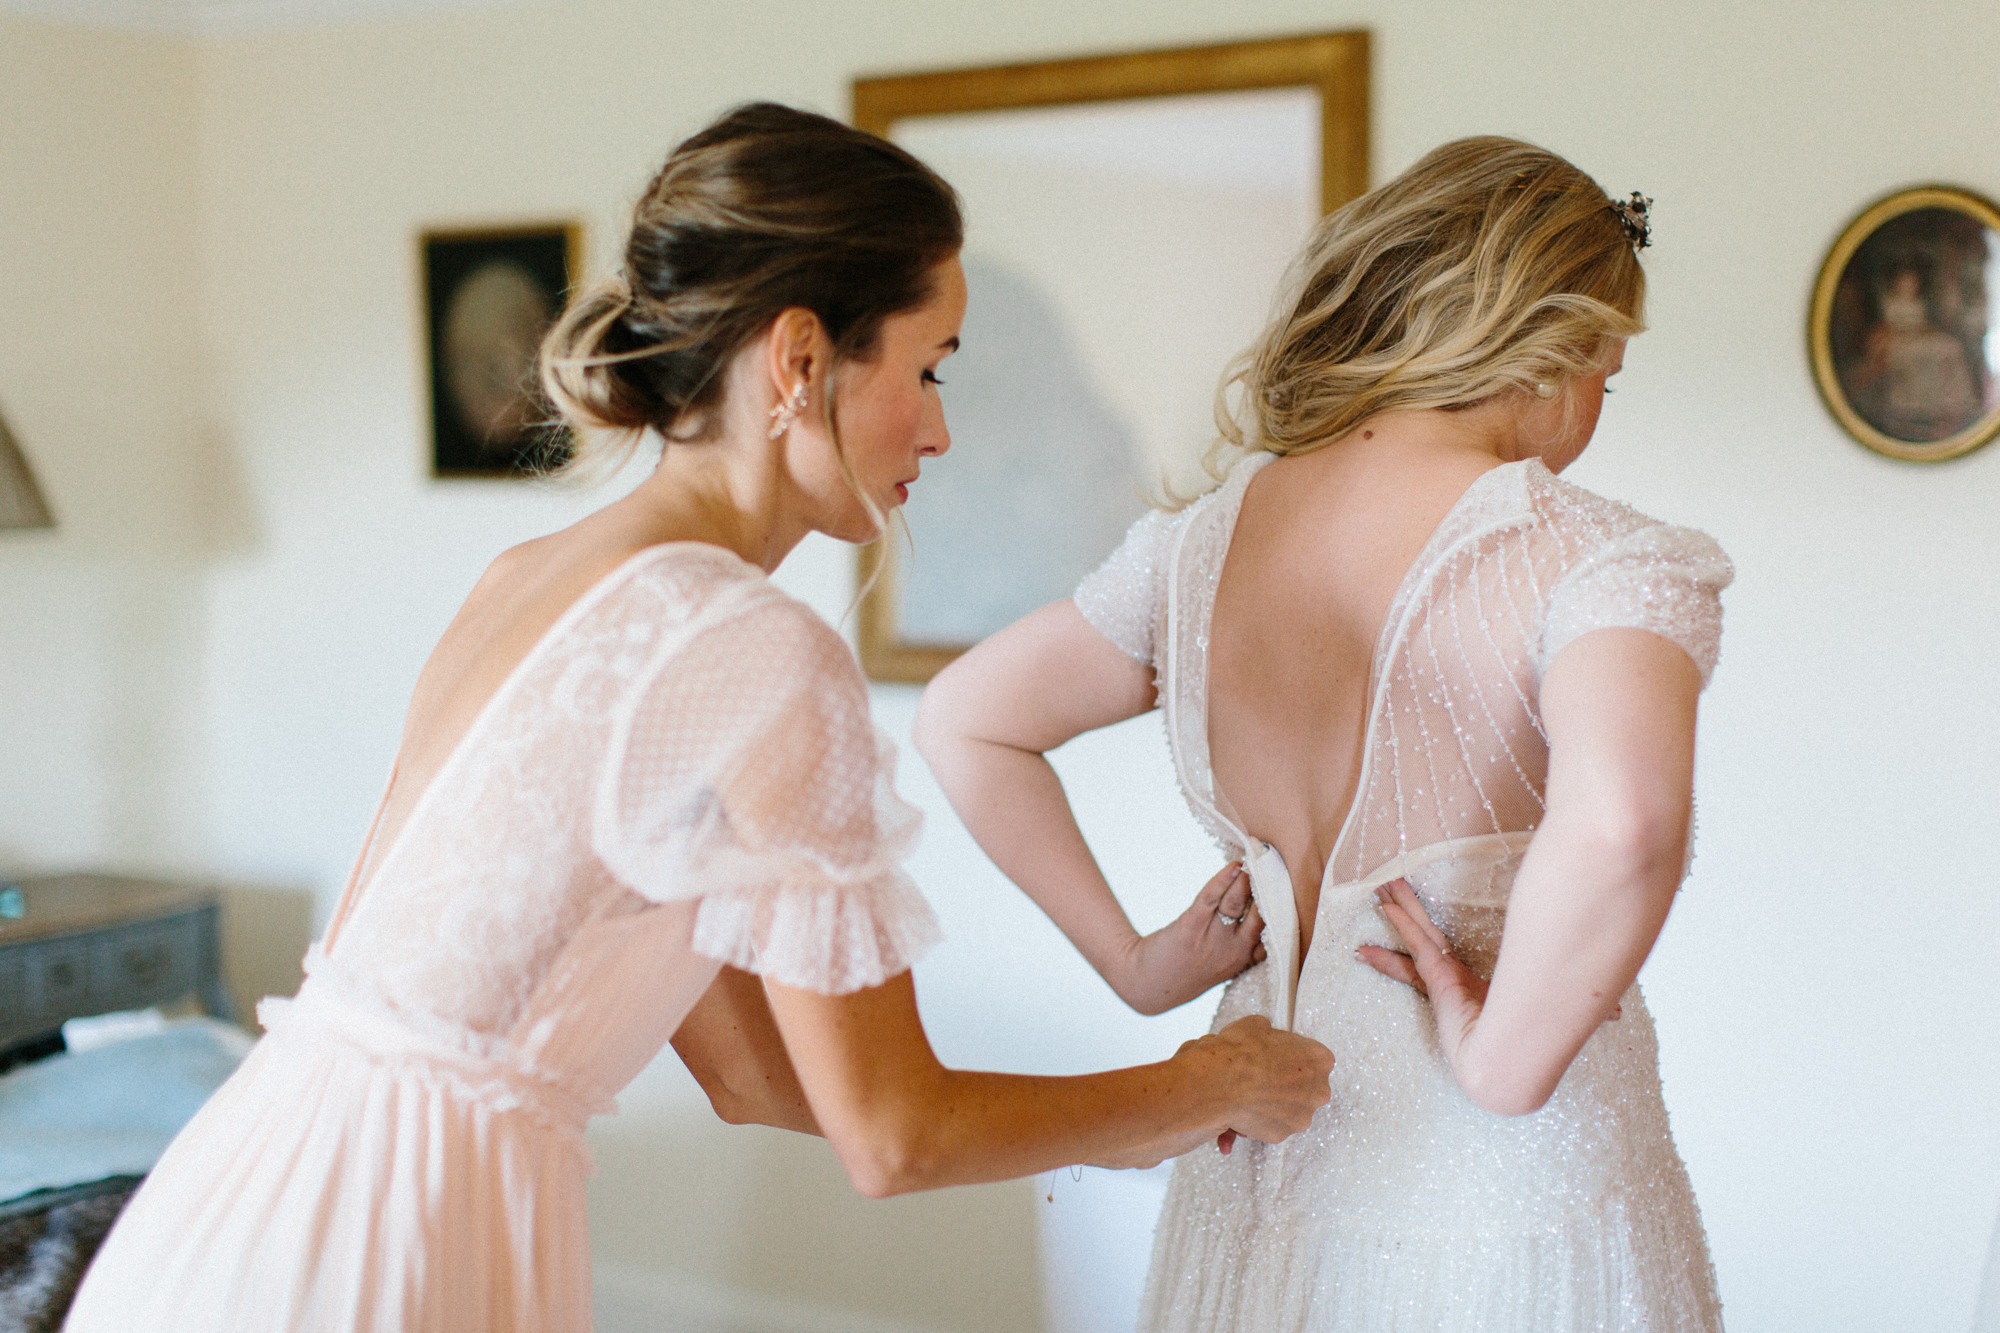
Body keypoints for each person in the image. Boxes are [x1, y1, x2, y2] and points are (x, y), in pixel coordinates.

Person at [63, 104, 1334, 1333]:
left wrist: (1137, 1114)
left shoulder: (532, 579)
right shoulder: (751, 652)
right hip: (388, 1251)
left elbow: (756, 1079)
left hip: (245, 1202)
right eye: (927, 367)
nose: (940, 427)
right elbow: (891, 1136)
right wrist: (1193, 1084)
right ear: (797, 358)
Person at [916, 137, 1731, 1331]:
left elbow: (965, 719)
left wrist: (1137, 966)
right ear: (1546, 345)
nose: (1592, 411)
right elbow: (1624, 821)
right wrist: (1503, 1059)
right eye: (1603, 377)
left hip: (1256, 1146)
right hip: (1488, 1183)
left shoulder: (1195, 543)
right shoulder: (1600, 556)